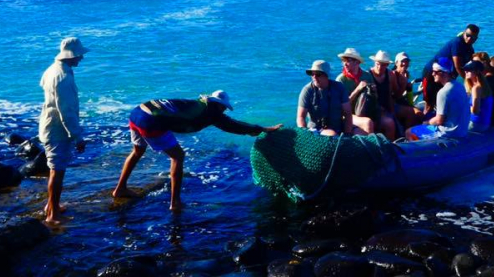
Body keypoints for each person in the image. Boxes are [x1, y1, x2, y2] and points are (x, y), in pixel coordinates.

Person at [112, 91, 281, 211]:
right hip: (151, 120)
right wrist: (263, 129)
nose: (222, 111)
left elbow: (229, 124)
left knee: (138, 151)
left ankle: (120, 189)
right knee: (178, 156)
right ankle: (175, 202)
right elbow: (233, 126)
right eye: (222, 108)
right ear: (216, 105)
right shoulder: (209, 112)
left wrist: (259, 129)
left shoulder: (198, 105)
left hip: (137, 113)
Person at [38, 36, 88, 226]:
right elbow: (66, 112)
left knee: (55, 170)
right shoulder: (64, 77)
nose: (81, 58)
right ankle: (52, 214)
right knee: (57, 171)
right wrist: (77, 136)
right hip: (58, 130)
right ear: (71, 56)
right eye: (79, 55)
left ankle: (52, 206)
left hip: (49, 124)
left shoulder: (52, 70)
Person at [406, 57, 470, 141]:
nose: (432, 74)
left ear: (443, 73)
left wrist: (425, 123)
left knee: (409, 132)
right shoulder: (459, 86)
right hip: (462, 130)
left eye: (435, 72)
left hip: (449, 133)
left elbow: (439, 120)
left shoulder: (443, 93)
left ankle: (419, 152)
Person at [297, 60, 353, 136]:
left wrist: (348, 133)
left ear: (326, 75)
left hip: (339, 128)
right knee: (332, 134)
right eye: (312, 74)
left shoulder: (339, 88)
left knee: (363, 131)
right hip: (316, 130)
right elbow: (301, 117)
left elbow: (347, 113)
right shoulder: (307, 90)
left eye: (318, 74)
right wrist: (304, 134)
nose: (314, 77)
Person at [335, 48, 376, 134]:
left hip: (365, 110)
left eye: (348, 61)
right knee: (367, 122)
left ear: (357, 62)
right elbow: (340, 108)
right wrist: (357, 90)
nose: (345, 64)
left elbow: (375, 97)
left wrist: (373, 91)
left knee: (388, 121)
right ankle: (373, 146)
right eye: (343, 61)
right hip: (346, 114)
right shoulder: (341, 80)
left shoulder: (367, 76)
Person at [367, 50, 398, 140]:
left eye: (383, 64)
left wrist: (403, 81)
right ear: (374, 63)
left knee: (411, 113)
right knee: (390, 123)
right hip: (374, 110)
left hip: (387, 107)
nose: (380, 67)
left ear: (387, 65)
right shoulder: (368, 75)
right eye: (378, 64)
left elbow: (395, 93)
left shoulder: (390, 75)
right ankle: (389, 148)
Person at [391, 52, 422, 129]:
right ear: (396, 63)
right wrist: (404, 83)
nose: (405, 63)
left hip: (401, 101)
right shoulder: (392, 75)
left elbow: (408, 90)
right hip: (392, 103)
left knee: (419, 114)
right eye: (402, 61)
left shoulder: (405, 73)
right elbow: (396, 96)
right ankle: (407, 133)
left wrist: (411, 104)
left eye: (407, 61)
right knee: (411, 112)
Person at [463, 60, 494, 132]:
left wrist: (464, 106)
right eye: (465, 70)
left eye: (468, 70)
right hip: (485, 123)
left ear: (476, 71)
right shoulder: (485, 86)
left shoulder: (476, 88)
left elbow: (475, 111)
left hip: (475, 124)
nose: (465, 72)